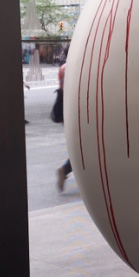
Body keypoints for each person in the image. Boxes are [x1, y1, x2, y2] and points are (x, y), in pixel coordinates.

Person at [55, 62, 72, 191]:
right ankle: (65, 169)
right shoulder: (75, 65)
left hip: (67, 111)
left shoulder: (63, 67)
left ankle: (65, 169)